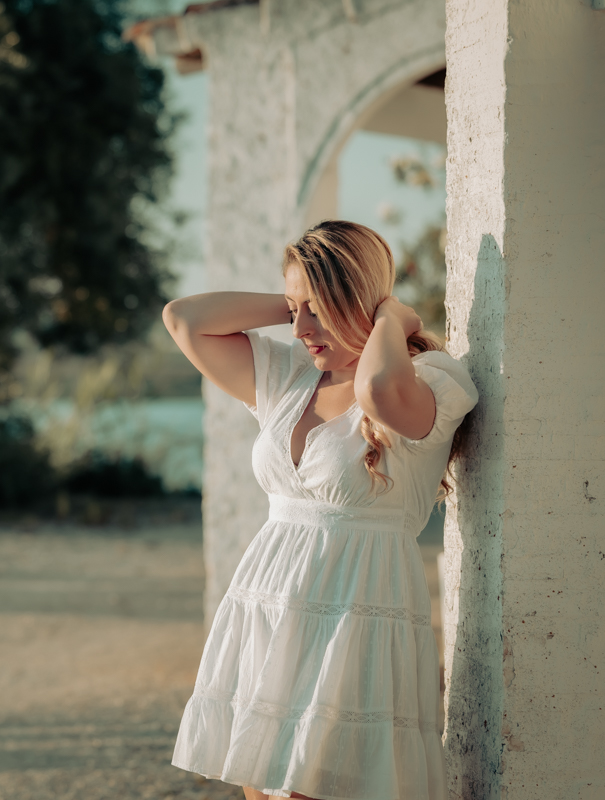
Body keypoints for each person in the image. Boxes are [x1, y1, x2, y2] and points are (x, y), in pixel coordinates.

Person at [162, 221, 477, 800]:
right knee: (261, 785)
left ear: (360, 298)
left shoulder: (431, 378)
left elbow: (379, 389)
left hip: (357, 609)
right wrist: (297, 306)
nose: (302, 328)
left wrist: (390, 319)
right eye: (294, 308)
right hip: (273, 600)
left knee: (317, 786)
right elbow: (183, 318)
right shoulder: (290, 376)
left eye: (319, 307)